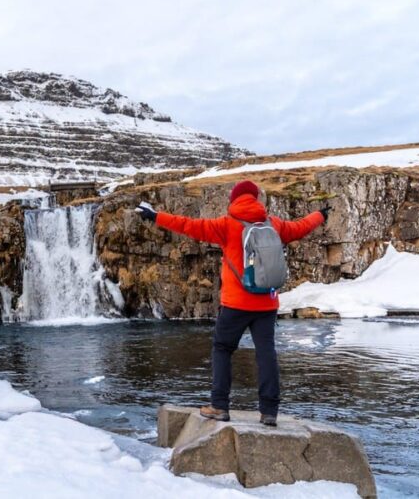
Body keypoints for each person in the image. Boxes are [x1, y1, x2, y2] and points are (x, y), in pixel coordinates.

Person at [135, 180, 328, 426]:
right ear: (256, 199)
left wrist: (155, 216)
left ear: (234, 199)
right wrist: (319, 215)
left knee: (223, 349)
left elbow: (188, 225)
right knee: (266, 353)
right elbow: (301, 227)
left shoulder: (226, 225)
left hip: (236, 303)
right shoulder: (274, 224)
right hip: (266, 304)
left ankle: (219, 406)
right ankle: (269, 412)